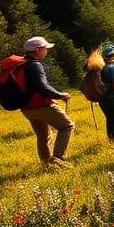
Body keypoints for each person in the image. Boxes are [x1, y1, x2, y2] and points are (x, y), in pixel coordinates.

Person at [19, 36, 74, 168]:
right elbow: (43, 86)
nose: (47, 51)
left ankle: (46, 163)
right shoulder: (35, 66)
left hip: (27, 108)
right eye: (45, 48)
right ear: (37, 50)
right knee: (67, 126)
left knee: (43, 136)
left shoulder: (22, 65)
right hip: (41, 106)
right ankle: (58, 158)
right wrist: (60, 95)